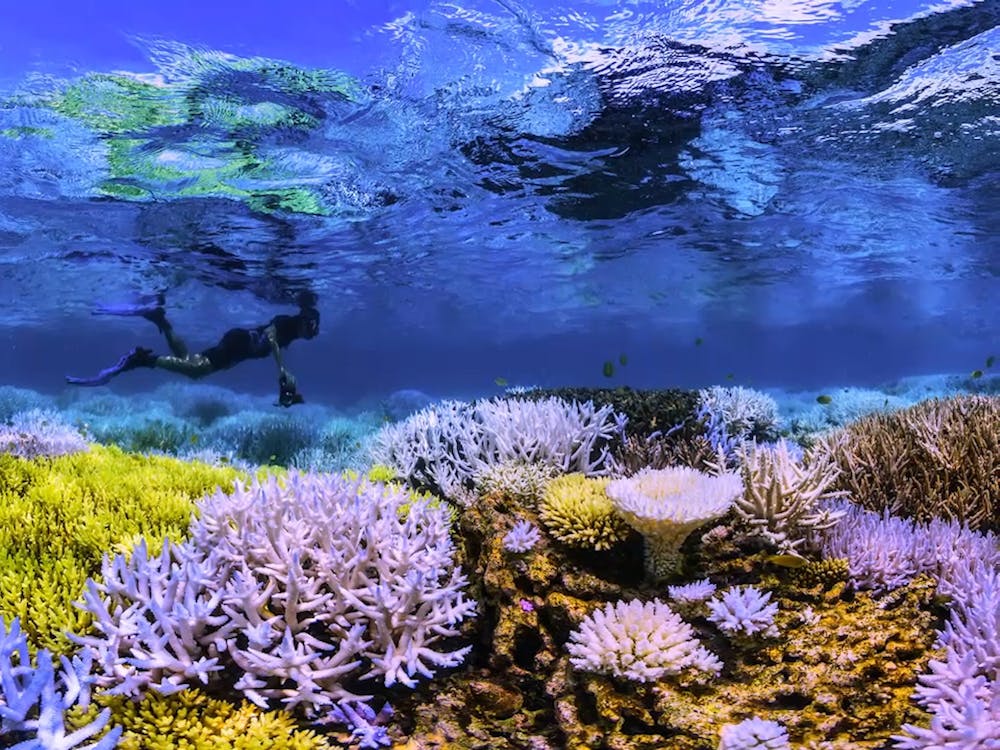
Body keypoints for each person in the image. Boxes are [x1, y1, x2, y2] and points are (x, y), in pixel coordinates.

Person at [66, 292, 320, 407]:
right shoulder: (286, 324)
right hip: (239, 343)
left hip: (239, 348)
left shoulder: (293, 332)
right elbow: (272, 338)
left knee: (186, 360)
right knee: (195, 371)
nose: (314, 333)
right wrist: (282, 370)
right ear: (305, 321)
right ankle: (142, 360)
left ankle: (160, 319)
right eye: (313, 327)